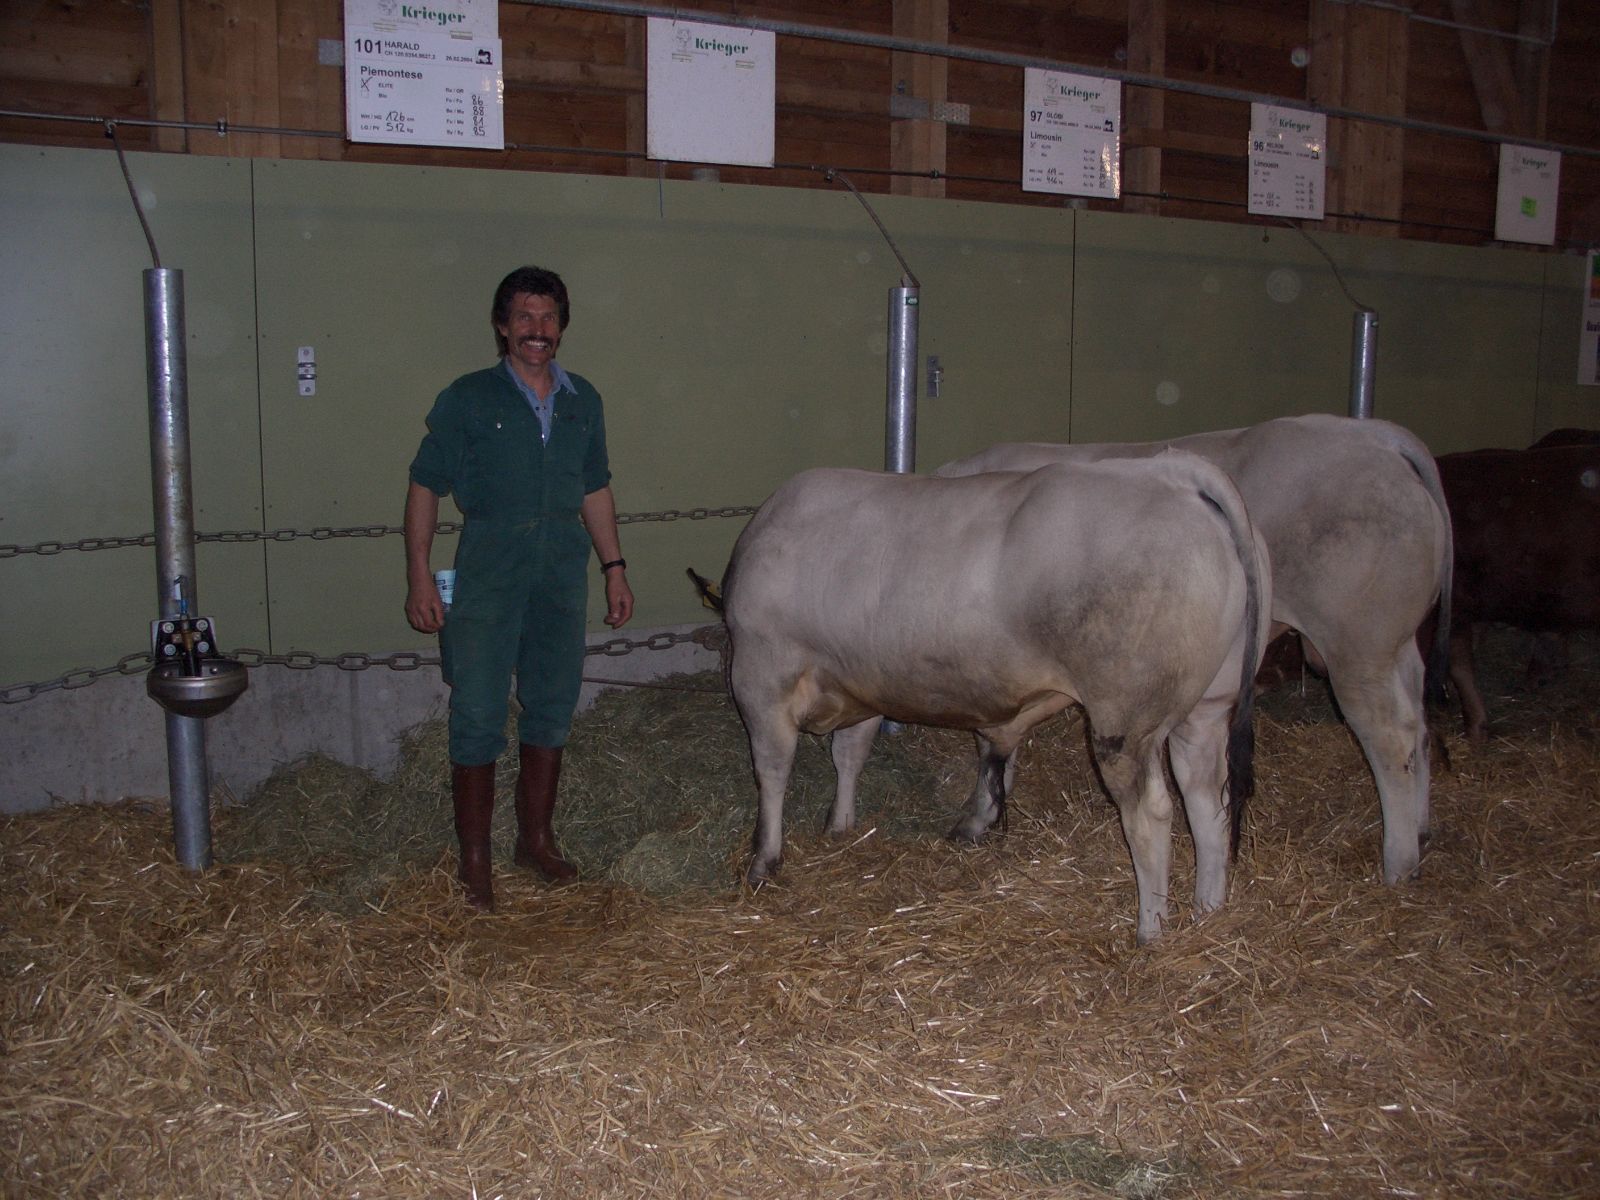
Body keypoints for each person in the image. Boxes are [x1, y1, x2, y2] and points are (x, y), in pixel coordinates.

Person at [404, 266, 633, 911]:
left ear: (561, 326)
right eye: (525, 318)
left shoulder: (583, 399)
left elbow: (594, 488)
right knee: (477, 709)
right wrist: (420, 573)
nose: (538, 330)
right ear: (503, 326)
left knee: (553, 702)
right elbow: (425, 484)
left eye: (549, 318)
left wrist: (614, 566)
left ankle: (535, 840)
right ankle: (475, 859)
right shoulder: (469, 398)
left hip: (562, 567)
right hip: (490, 563)